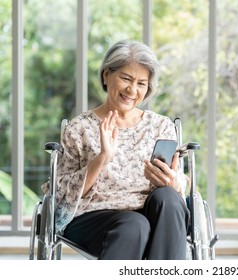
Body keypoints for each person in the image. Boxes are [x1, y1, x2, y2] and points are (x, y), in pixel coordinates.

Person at [41, 39, 190, 260]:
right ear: (106, 75)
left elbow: (179, 184)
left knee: (168, 197)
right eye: (126, 78)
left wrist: (174, 182)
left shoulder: (160, 126)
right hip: (94, 216)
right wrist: (102, 158)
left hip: (152, 212)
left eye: (141, 83)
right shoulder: (79, 128)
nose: (132, 90)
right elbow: (61, 194)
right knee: (134, 225)